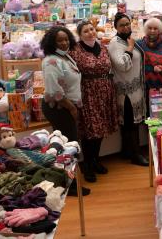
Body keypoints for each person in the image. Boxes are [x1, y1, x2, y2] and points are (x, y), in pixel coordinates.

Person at [40, 26, 89, 196]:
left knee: (70, 144)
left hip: (66, 106)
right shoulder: (51, 61)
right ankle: (71, 185)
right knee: (68, 147)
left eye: (66, 39)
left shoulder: (64, 56)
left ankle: (69, 182)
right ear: (51, 43)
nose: (64, 42)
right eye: (59, 40)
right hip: (60, 107)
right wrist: (71, 107)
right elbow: (54, 91)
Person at [69, 20, 118, 183]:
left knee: (101, 128)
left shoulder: (103, 47)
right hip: (88, 92)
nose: (90, 32)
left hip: (105, 91)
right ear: (79, 35)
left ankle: (96, 160)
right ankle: (87, 164)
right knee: (90, 131)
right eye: (85, 31)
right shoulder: (75, 50)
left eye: (91, 29)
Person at [108, 12, 148, 166]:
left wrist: (131, 45)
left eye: (127, 24)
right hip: (125, 91)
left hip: (135, 89)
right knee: (130, 124)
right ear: (116, 27)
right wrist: (130, 48)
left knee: (132, 123)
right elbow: (123, 65)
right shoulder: (115, 43)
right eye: (122, 25)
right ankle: (136, 155)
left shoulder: (129, 40)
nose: (125, 27)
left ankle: (127, 151)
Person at [137, 17, 162, 90]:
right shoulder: (139, 45)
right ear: (146, 29)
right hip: (144, 88)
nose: (152, 31)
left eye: (155, 28)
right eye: (150, 28)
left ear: (159, 30)